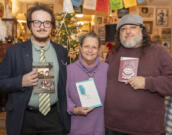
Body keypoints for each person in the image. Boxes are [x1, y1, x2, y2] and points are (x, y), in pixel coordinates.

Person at [0, 4, 70, 135]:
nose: (42, 26)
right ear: (29, 25)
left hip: (54, 117)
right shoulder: (14, 51)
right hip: (24, 118)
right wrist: (20, 81)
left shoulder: (61, 51)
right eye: (37, 22)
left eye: (46, 22)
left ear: (52, 26)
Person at [104, 14, 172, 135]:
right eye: (123, 29)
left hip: (146, 129)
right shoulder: (113, 53)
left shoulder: (158, 52)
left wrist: (147, 82)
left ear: (142, 30)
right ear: (119, 34)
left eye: (132, 27)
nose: (127, 31)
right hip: (113, 126)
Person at [66, 32, 108, 135]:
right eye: (86, 46)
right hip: (76, 124)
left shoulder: (107, 69)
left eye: (94, 47)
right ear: (80, 48)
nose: (90, 50)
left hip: (100, 126)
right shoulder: (69, 70)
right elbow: (64, 95)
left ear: (98, 50)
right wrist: (74, 109)